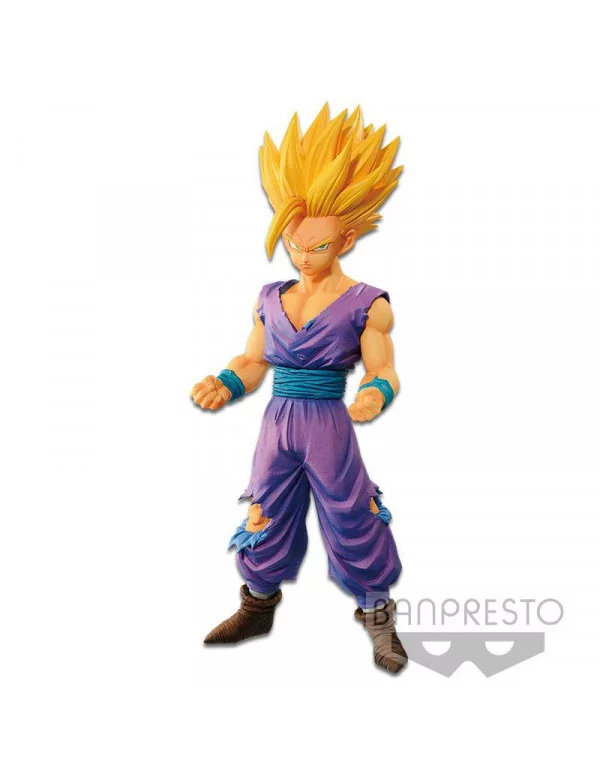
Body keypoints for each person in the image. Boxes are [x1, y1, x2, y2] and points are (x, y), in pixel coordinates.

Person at [192, 104, 407, 673]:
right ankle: (257, 606)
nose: (302, 257)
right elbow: (253, 360)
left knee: (352, 513)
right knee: (266, 506)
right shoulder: (271, 296)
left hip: (328, 422)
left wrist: (374, 394)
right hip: (277, 421)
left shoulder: (367, 303)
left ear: (347, 238)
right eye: (293, 243)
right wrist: (225, 382)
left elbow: (384, 369)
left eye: (318, 247)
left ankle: (378, 616)